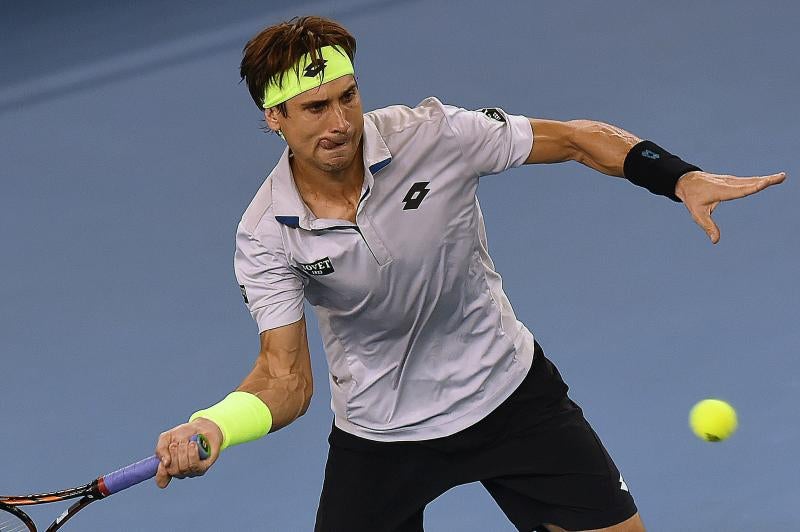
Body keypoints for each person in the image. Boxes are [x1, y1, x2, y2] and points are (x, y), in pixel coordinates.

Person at [153, 16, 785, 532]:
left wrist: (677, 176)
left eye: (348, 98)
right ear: (275, 119)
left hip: (506, 393)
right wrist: (215, 424)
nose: (341, 123)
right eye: (315, 108)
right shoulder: (265, 233)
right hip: (383, 433)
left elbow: (573, 139)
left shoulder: (433, 135)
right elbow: (285, 381)